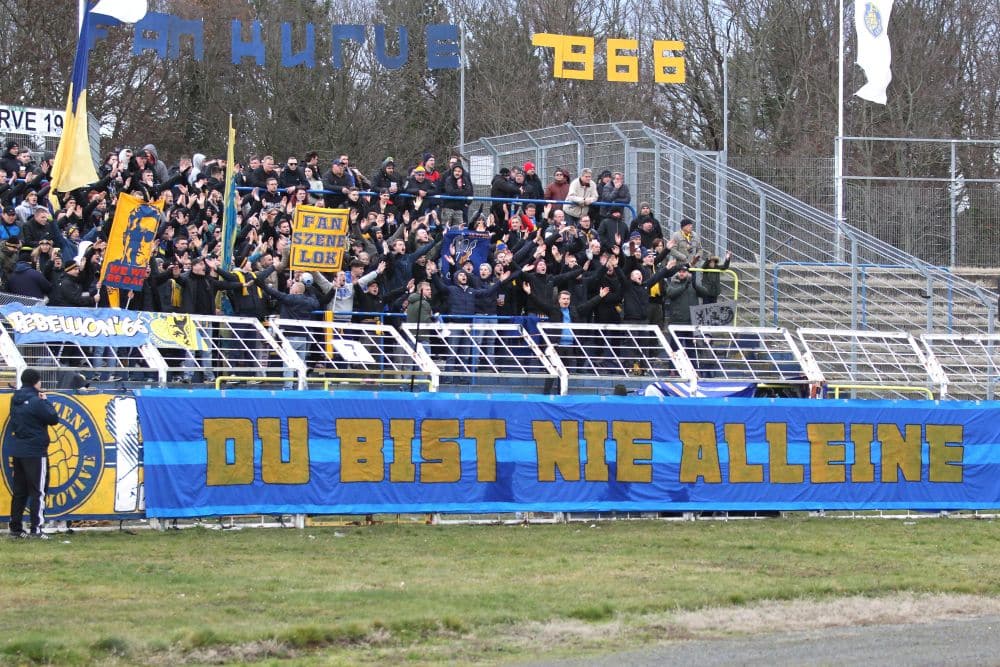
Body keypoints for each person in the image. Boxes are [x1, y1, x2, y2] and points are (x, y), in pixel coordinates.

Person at [7, 368, 59, 539]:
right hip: (35, 451)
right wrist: (46, 401)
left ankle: (15, 529)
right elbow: (53, 419)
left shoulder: (15, 399)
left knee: (20, 491)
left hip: (18, 449)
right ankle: (36, 529)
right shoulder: (37, 401)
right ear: (36, 382)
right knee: (38, 491)